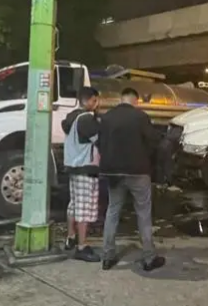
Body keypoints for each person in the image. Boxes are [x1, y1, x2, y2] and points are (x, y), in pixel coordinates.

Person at [98, 87, 165, 271]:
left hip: (113, 172)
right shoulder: (140, 117)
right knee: (143, 213)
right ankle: (149, 258)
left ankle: (107, 257)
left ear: (121, 99)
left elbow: (100, 143)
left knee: (112, 212)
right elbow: (153, 140)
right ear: (135, 100)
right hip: (138, 171)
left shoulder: (107, 117)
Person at [61, 86, 101, 262]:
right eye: (95, 100)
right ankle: (82, 246)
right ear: (89, 100)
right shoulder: (86, 119)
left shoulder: (72, 117)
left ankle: (71, 237)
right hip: (85, 166)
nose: (96, 104)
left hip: (73, 166)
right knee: (84, 208)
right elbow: (100, 141)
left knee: (74, 205)